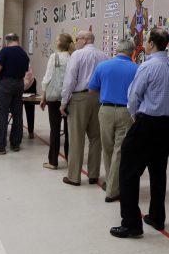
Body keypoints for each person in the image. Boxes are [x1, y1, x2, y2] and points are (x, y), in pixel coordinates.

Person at [110, 28, 169, 238]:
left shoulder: (148, 66)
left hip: (147, 123)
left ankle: (131, 223)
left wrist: (135, 117)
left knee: (129, 172)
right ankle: (157, 217)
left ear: (151, 43)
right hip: (167, 125)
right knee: (158, 172)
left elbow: (133, 97)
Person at [88, 39, 137, 203]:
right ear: (132, 52)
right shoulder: (136, 69)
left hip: (105, 110)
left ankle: (110, 183)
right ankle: (113, 190)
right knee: (119, 150)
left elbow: (92, 89)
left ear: (117, 50)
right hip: (126, 112)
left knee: (108, 148)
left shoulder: (103, 66)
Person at [60, 31, 106, 186]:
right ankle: (93, 175)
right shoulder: (103, 56)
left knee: (76, 138)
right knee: (96, 138)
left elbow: (70, 80)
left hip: (79, 98)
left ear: (85, 40)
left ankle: (74, 176)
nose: (76, 41)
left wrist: (64, 102)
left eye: (77, 39)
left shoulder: (77, 55)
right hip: (99, 98)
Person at [0, 33, 29, 155]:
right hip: (19, 85)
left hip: (5, 84)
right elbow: (26, 70)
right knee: (17, 114)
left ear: (7, 41)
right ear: (18, 40)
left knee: (2, 115)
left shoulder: (5, 51)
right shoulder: (23, 53)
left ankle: (0, 146)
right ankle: (15, 144)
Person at [40, 33, 74, 169]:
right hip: (70, 98)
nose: (55, 40)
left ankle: (53, 161)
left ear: (61, 43)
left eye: (57, 39)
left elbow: (47, 78)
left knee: (54, 129)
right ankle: (69, 158)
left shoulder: (55, 57)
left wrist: (43, 96)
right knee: (69, 130)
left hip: (54, 98)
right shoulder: (73, 57)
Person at [22, 68, 36, 139]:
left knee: (29, 108)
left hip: (30, 85)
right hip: (19, 84)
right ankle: (18, 131)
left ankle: (31, 131)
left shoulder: (26, 63)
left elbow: (26, 82)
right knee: (17, 109)